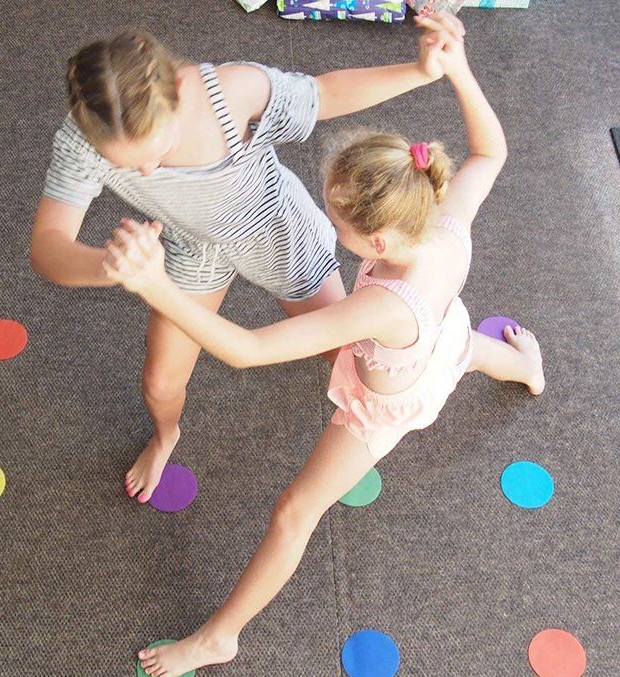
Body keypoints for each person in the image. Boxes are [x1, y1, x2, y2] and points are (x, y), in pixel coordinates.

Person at [103, 18, 544, 677]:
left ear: (381, 245)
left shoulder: (375, 306)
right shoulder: (443, 221)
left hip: (381, 403)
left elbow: (248, 350)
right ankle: (531, 368)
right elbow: (490, 153)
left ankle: (220, 636)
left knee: (293, 512)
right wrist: (456, 68)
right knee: (466, 351)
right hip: (440, 335)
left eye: (337, 225)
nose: (326, 228)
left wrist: (157, 285)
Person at [31, 16, 465, 502]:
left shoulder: (231, 91)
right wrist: (113, 266)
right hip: (193, 250)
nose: (148, 171)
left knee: (346, 355)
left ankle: (460, 352)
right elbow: (48, 247)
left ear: (178, 88)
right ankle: (165, 437)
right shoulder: (82, 139)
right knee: (158, 383)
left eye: (160, 149)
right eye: (128, 166)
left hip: (275, 232)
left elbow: (325, 94)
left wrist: (419, 71)